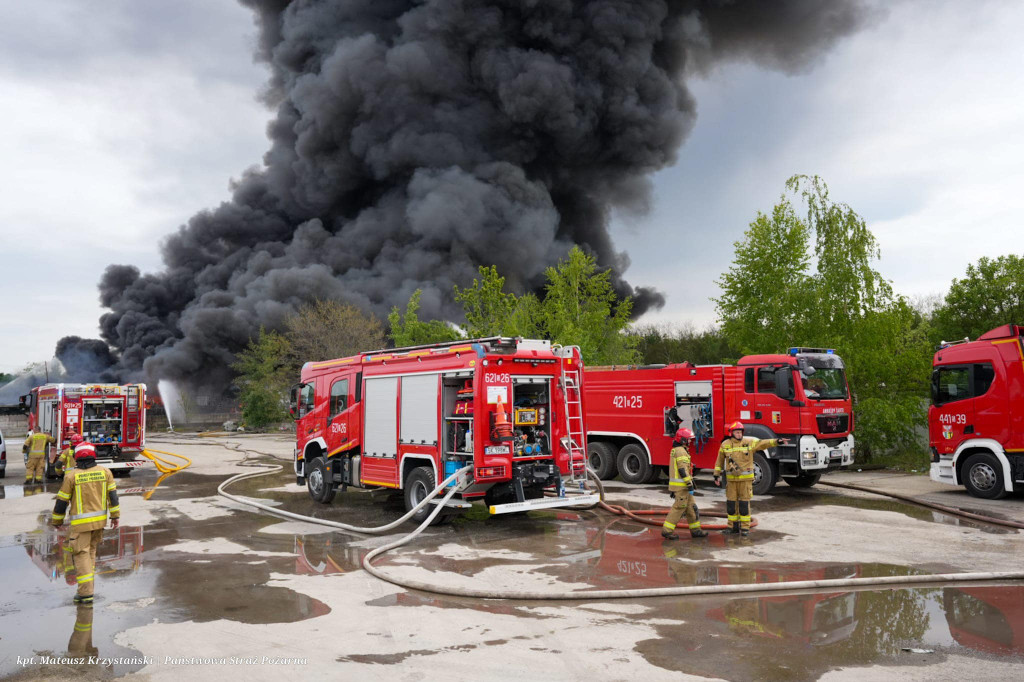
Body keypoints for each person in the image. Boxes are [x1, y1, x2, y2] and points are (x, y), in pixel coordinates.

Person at [51, 441, 120, 604]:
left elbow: (62, 501)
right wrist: (115, 517)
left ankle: (85, 593)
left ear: (77, 458)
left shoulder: (71, 476)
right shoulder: (105, 472)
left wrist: (57, 521)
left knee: (81, 555)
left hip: (81, 525)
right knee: (91, 553)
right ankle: (90, 587)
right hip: (99, 523)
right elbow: (113, 497)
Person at [713, 422, 789, 536]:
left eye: (740, 432)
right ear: (731, 433)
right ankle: (732, 527)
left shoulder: (749, 442)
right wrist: (716, 474)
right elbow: (719, 461)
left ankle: (744, 528)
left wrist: (777, 441)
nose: (739, 434)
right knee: (731, 505)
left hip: (745, 481)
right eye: (737, 432)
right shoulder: (725, 444)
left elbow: (763, 443)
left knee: (744, 504)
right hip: (731, 481)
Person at [662, 428, 708, 540]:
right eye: (688, 439)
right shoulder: (681, 451)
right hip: (682, 486)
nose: (690, 442)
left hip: (682, 486)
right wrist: (689, 483)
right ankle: (667, 531)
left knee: (691, 508)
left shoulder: (678, 449)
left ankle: (696, 530)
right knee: (679, 508)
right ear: (682, 440)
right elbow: (682, 470)